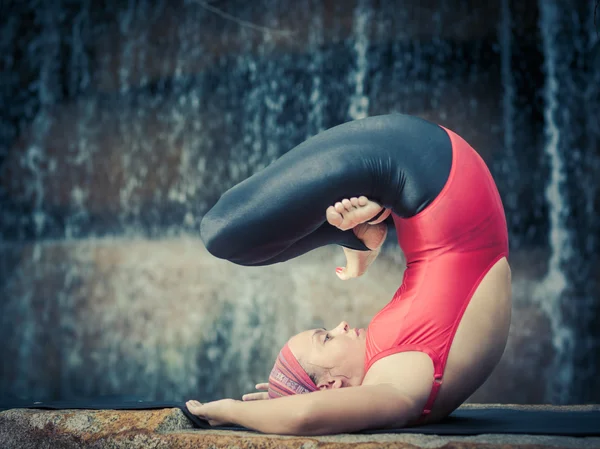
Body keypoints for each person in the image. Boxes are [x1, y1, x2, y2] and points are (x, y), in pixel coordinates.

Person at [186, 114, 511, 435]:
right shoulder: (396, 390)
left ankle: (361, 233)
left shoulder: (392, 375)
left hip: (421, 190)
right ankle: (360, 233)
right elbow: (305, 415)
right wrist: (234, 410)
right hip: (431, 170)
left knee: (249, 250)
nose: (340, 325)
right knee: (219, 233)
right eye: (325, 337)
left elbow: (306, 408)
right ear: (331, 387)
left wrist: (273, 405)